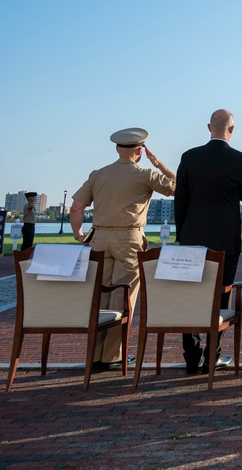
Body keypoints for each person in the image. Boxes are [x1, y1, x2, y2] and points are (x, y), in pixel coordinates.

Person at [69, 128, 176, 370]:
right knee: (123, 296)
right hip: (128, 239)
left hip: (99, 237)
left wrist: (79, 235)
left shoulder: (98, 175)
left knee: (100, 294)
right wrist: (159, 164)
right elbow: (178, 186)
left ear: (117, 148)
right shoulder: (146, 175)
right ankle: (113, 355)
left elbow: (76, 208)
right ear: (140, 151)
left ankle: (95, 353)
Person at [176, 109, 242, 374]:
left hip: (192, 239)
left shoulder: (189, 157)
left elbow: (180, 200)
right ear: (232, 130)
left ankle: (191, 356)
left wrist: (182, 235)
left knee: (190, 296)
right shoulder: (241, 160)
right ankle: (214, 355)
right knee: (222, 297)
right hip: (226, 240)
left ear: (209, 127)